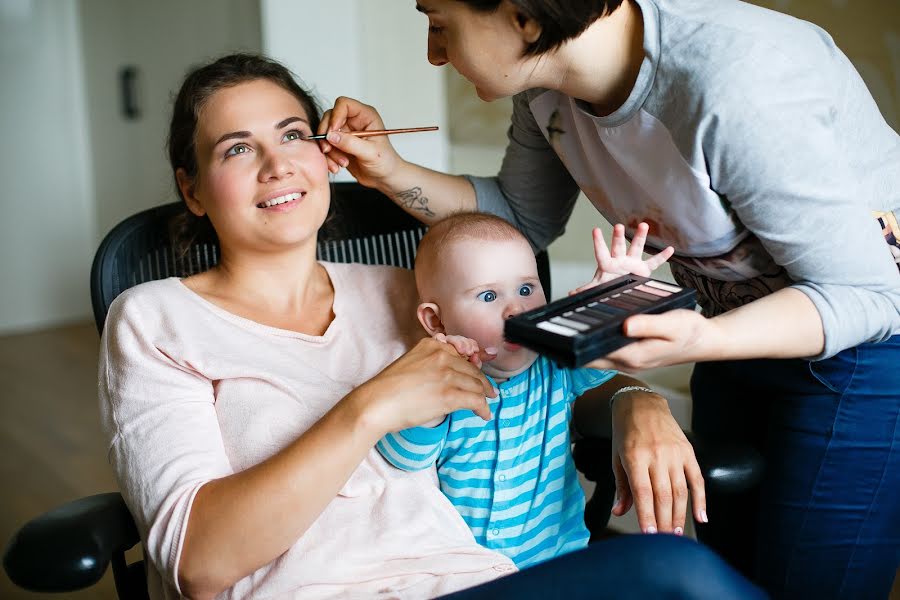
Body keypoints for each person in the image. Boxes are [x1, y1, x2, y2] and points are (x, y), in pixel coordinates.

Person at [98, 52, 764, 600]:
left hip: (471, 580)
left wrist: (636, 400)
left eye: (293, 134)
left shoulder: (405, 290)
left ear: (325, 152)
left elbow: (532, 370)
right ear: (192, 189)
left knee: (679, 577)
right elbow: (200, 564)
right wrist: (372, 405)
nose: (277, 166)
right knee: (677, 575)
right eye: (238, 149)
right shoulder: (156, 321)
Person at [317, 1, 900, 597]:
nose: (434, 52)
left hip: (866, 345)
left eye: (440, 23)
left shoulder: (737, 85)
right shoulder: (546, 90)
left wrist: (703, 339)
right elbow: (519, 218)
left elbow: (874, 294)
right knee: (737, 579)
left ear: (523, 15)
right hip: (737, 338)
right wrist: (388, 169)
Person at [376, 212, 689, 568]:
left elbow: (609, 358)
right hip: (463, 572)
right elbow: (405, 457)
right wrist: (436, 397)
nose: (516, 308)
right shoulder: (442, 382)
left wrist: (609, 303)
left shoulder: (556, 363)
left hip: (557, 565)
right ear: (436, 321)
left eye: (526, 289)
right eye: (489, 295)